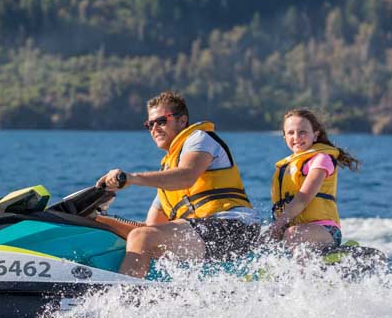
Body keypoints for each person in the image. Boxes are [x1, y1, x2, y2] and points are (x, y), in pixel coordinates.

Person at [96, 91, 261, 278]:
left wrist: (131, 178)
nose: (155, 128)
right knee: (137, 234)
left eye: (162, 121)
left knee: (142, 237)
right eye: (150, 124)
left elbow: (186, 176)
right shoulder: (168, 169)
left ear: (182, 121)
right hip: (205, 233)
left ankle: (124, 301)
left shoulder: (200, 139)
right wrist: (100, 220)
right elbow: (150, 226)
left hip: (236, 228)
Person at [270, 108, 360, 249]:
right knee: (262, 242)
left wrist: (277, 226)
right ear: (285, 137)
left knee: (293, 234)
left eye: (302, 132)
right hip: (292, 230)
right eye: (290, 133)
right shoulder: (286, 166)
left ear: (315, 135)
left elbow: (302, 199)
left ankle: (302, 270)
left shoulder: (321, 159)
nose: (296, 137)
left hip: (326, 231)